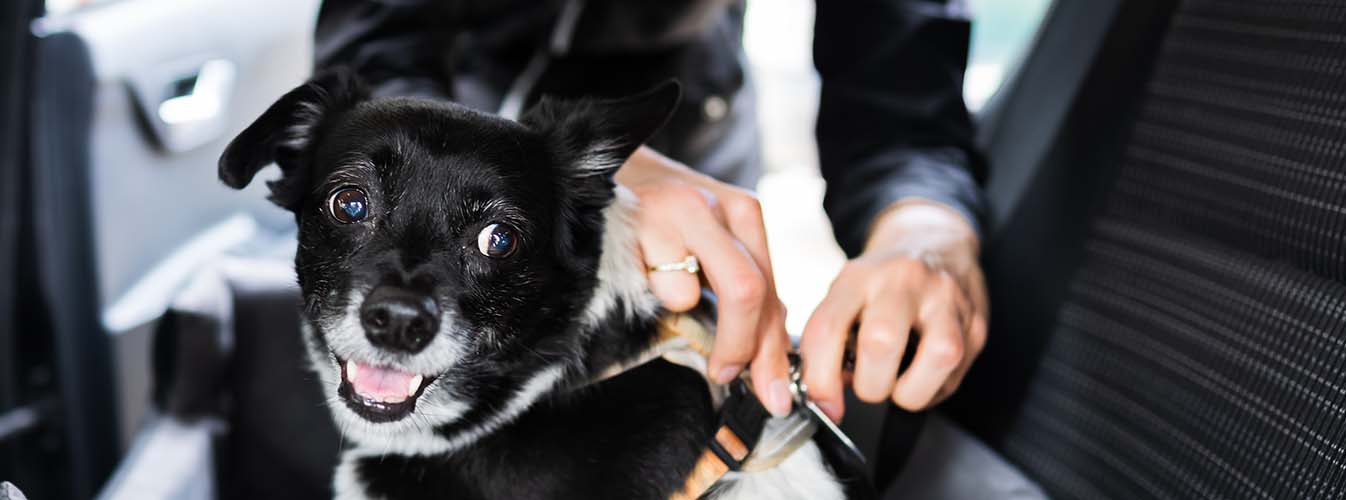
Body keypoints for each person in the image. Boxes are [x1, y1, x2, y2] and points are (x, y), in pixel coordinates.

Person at [314, 0, 988, 423]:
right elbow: (377, 40)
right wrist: (536, 174)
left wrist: (924, 233)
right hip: (457, 106)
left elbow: (903, 102)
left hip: (694, 133)